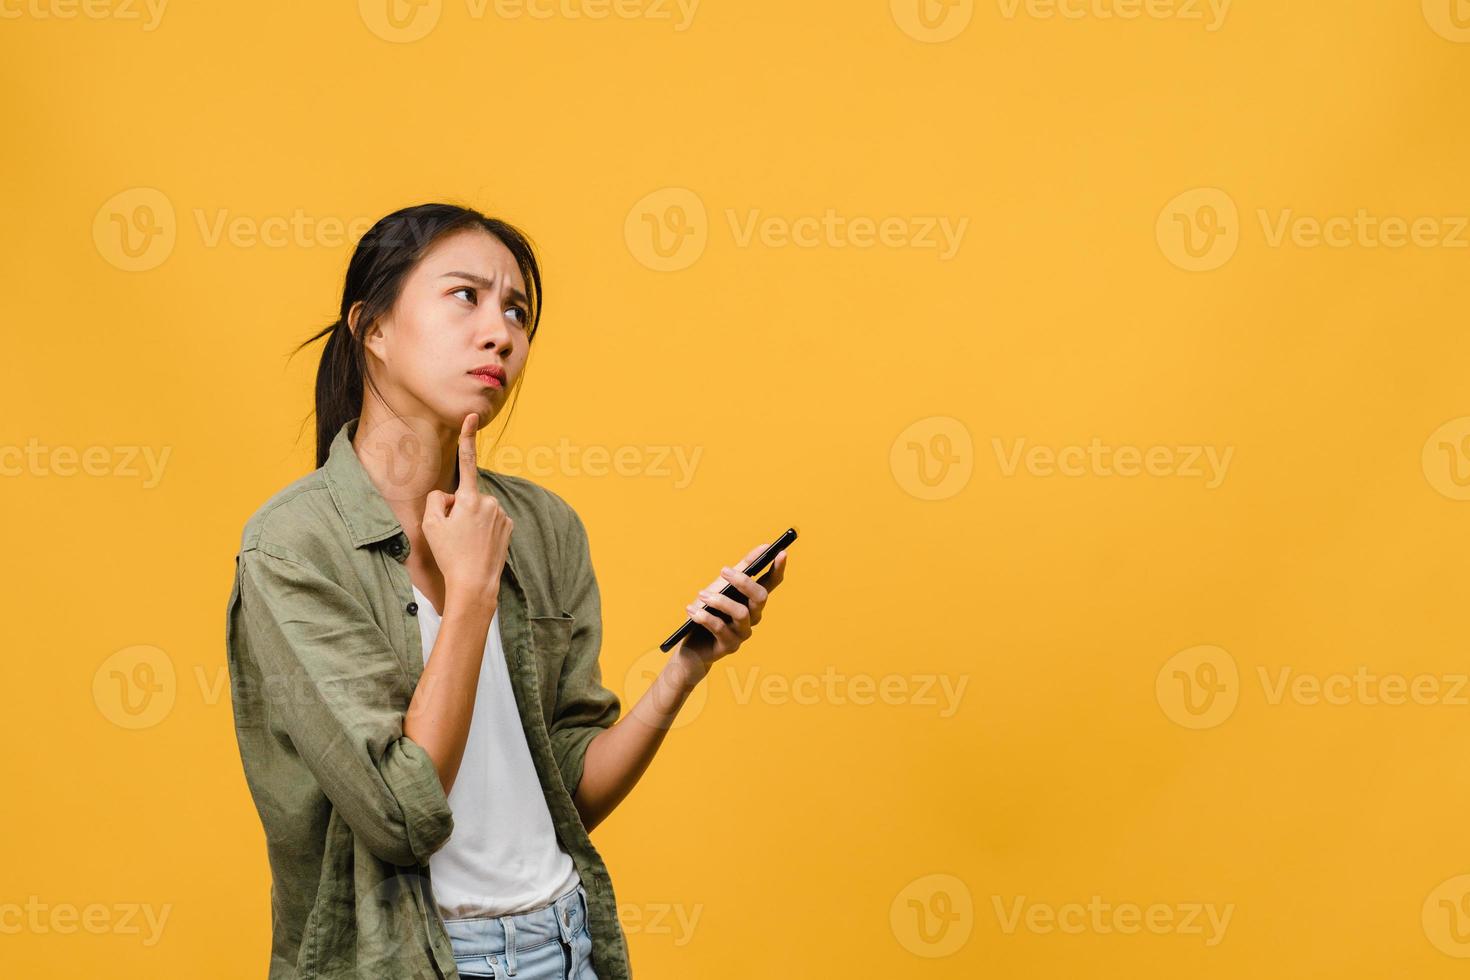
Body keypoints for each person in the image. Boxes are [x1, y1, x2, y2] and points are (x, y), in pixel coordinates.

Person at [224, 202, 790, 979]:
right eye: (466, 296)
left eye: (516, 310)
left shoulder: (542, 524)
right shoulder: (294, 546)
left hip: (567, 943)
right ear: (373, 328)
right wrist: (471, 592)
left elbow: (570, 791)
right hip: (413, 961)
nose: (502, 333)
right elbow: (401, 815)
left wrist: (687, 668)